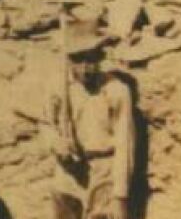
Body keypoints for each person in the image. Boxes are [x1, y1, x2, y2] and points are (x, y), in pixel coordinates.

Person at [44, 19, 135, 219]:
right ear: (68, 60)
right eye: (78, 59)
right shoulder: (58, 86)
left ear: (101, 57)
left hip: (103, 171)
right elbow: (45, 123)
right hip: (69, 172)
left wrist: (120, 195)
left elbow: (124, 144)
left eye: (91, 58)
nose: (85, 68)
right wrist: (55, 143)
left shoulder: (116, 90)